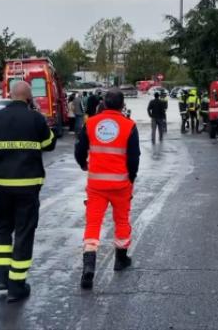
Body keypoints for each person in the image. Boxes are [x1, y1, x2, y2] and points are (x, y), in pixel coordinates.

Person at [0, 81, 56, 302]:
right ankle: (17, 285)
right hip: (28, 187)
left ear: (10, 95)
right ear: (29, 98)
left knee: (2, 229)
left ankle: (0, 277)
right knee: (24, 232)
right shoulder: (35, 119)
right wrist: (40, 121)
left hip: (1, 187)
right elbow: (50, 144)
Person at [75, 88, 140, 290]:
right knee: (121, 220)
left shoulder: (91, 123)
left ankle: (89, 266)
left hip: (96, 185)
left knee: (93, 223)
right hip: (121, 184)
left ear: (103, 102)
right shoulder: (129, 125)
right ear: (122, 105)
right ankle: (121, 259)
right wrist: (131, 177)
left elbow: (79, 149)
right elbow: (134, 157)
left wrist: (83, 164)